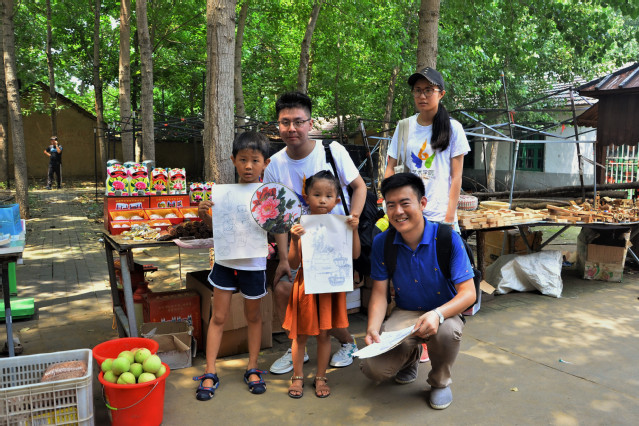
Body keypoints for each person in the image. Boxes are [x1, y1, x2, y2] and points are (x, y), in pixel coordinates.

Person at [264, 92, 367, 374]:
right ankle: (296, 347)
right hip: (299, 245)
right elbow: (279, 217)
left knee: (326, 303)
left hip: (333, 248)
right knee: (283, 289)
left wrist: (353, 218)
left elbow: (359, 186)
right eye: (285, 122)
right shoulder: (274, 165)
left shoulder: (331, 151)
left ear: (310, 124)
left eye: (298, 122)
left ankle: (347, 342)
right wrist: (283, 258)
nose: (292, 128)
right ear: (278, 125)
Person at [360, 173, 476, 410]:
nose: (398, 212)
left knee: (447, 333)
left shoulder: (447, 238)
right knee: (372, 369)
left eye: (405, 203)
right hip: (406, 312)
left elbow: (468, 293)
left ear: (422, 203)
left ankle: (440, 382)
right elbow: (379, 293)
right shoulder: (383, 242)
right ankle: (410, 358)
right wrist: (372, 327)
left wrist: (437, 314)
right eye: (391, 205)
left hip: (444, 313)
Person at [192, 131, 271, 401]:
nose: (248, 166)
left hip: (254, 264)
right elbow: (220, 230)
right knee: (219, 317)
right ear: (233, 160)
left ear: (265, 163)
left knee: (253, 317)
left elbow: (275, 227)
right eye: (243, 160)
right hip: (225, 262)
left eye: (255, 160)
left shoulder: (268, 196)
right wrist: (205, 215)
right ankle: (210, 370)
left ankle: (252, 367)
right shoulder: (223, 195)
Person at [283, 171, 361, 398]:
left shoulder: (343, 224)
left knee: (325, 334)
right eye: (317, 195)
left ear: (337, 200)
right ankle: (297, 376)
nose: (323, 200)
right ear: (307, 197)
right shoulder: (301, 225)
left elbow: (355, 254)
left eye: (329, 195)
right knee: (299, 335)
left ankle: (320, 376)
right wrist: (295, 239)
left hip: (329, 287)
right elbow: (294, 263)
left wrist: (354, 230)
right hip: (306, 286)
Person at [384, 67, 470, 228]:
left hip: (440, 216)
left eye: (428, 90)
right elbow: (390, 169)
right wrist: (388, 204)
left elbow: (456, 177)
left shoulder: (453, 128)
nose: (422, 96)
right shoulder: (404, 127)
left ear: (441, 94)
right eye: (417, 90)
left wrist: (449, 218)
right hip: (407, 215)